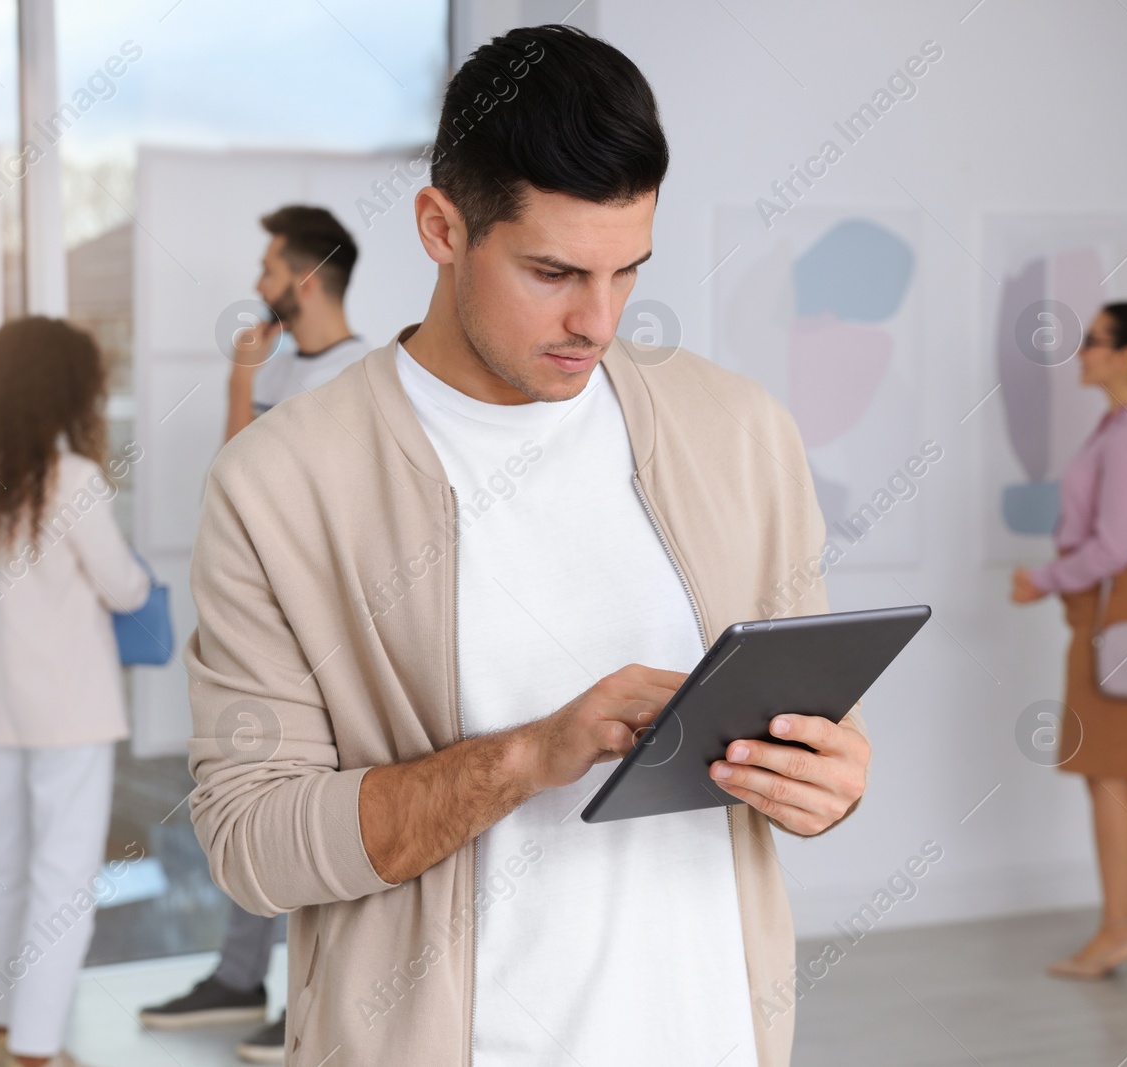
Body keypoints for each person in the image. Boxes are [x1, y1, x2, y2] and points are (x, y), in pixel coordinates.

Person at [185, 25, 870, 1067]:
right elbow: (250, 843)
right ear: (440, 227)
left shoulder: (739, 434)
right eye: (551, 271)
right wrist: (527, 756)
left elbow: (810, 736)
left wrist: (825, 783)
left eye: (626, 271)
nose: (595, 320)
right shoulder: (281, 484)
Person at [139, 205, 363, 1062]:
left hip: (328, 635)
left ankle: (314, 1000)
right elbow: (237, 491)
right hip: (267, 631)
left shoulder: (364, 373)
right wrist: (244, 381)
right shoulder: (281, 375)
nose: (259, 284)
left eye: (271, 267)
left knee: (318, 814)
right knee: (255, 802)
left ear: (306, 279)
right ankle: (239, 977)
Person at [0, 317, 151, 1067]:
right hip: (70, 708)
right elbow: (124, 589)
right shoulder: (74, 480)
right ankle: (35, 1048)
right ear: (64, 390)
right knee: (63, 880)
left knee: (8, 866)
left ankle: (5, 1026)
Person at [1011, 302, 1127, 979]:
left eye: (1093, 341)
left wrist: (1043, 577)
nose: (1080, 352)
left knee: (1110, 775)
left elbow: (1116, 545)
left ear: (1125, 356)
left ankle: (1123, 927)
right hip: (1107, 610)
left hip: (1113, 609)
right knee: (1108, 774)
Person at [223, 205, 367, 444]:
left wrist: (240, 379)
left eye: (268, 272)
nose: (258, 286)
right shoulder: (271, 371)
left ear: (306, 283)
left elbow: (243, 478)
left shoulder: (353, 383)